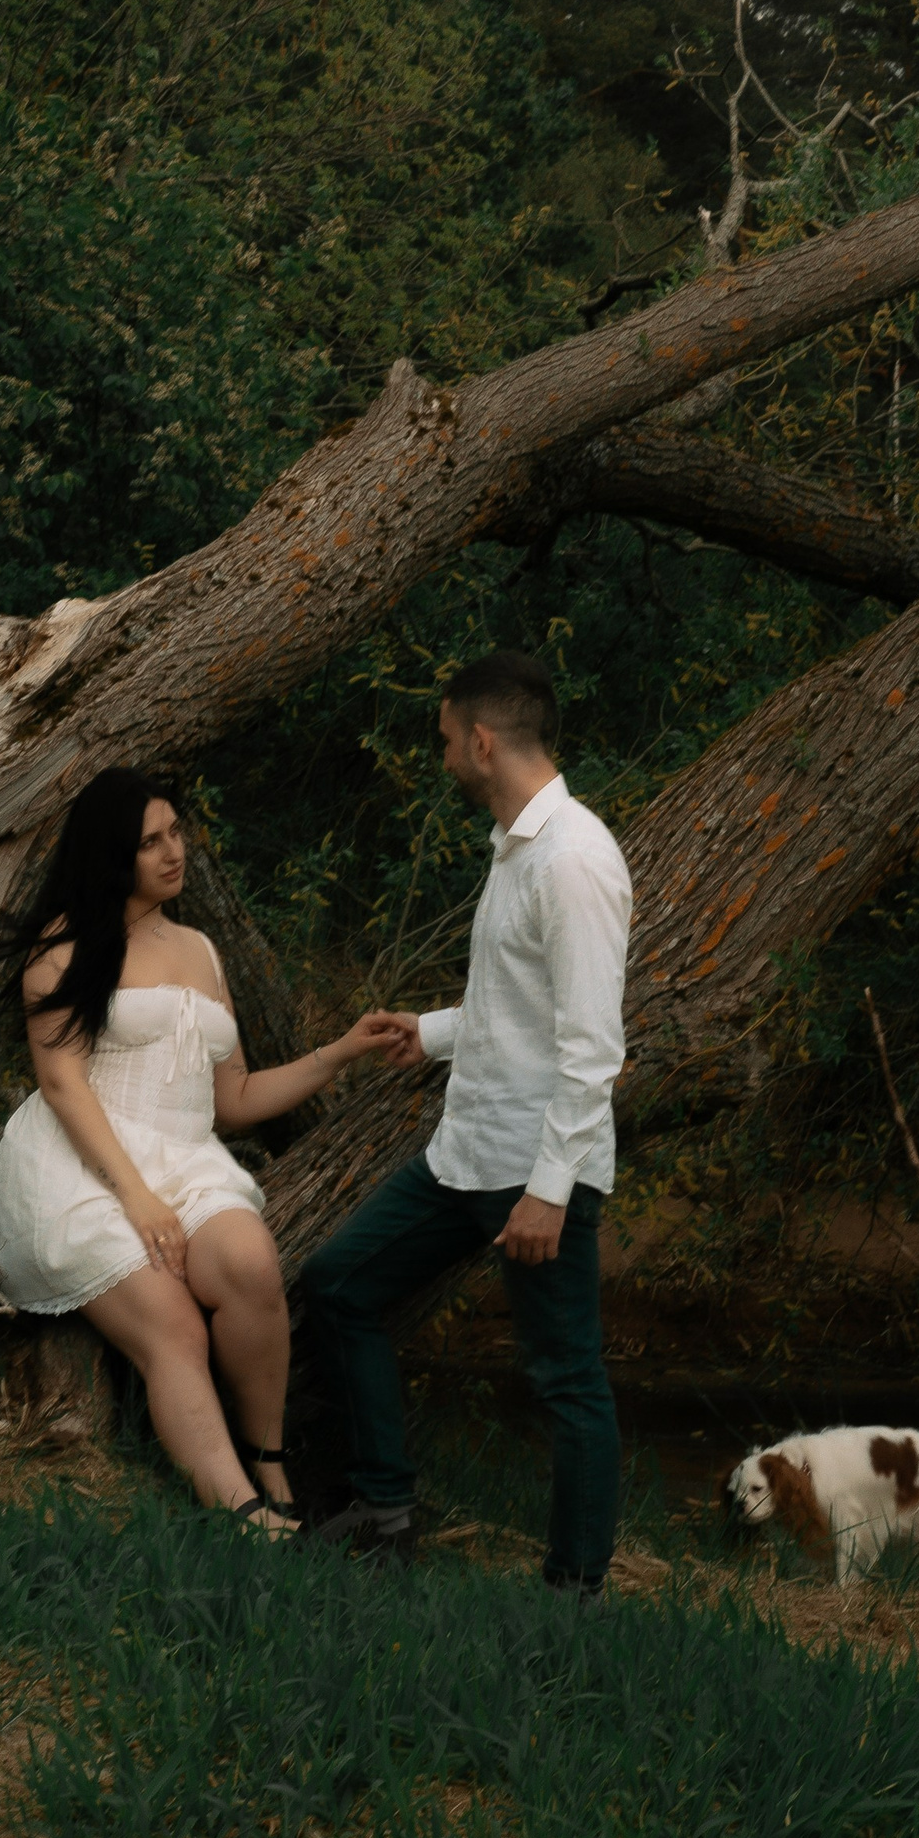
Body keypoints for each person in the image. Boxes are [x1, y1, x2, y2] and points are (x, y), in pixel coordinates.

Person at [0, 766, 406, 1531]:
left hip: (188, 1155)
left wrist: (338, 1052)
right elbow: (62, 1080)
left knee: (250, 1264)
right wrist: (137, 1198)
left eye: (176, 832)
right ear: (113, 855)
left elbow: (232, 1100)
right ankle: (244, 1516)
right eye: (151, 842)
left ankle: (271, 1466)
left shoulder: (202, 949)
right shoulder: (66, 943)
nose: (175, 852)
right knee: (173, 1323)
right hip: (82, 1164)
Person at [299, 651, 632, 1596]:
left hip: (535, 1168)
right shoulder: (517, 848)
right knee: (339, 1286)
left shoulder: (572, 859)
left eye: (445, 739)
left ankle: (575, 1593)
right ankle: (385, 1507)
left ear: (482, 741)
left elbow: (590, 1048)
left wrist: (549, 1192)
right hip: (465, 1155)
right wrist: (433, 1031)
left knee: (567, 1377)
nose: (443, 755)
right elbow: (516, 1004)